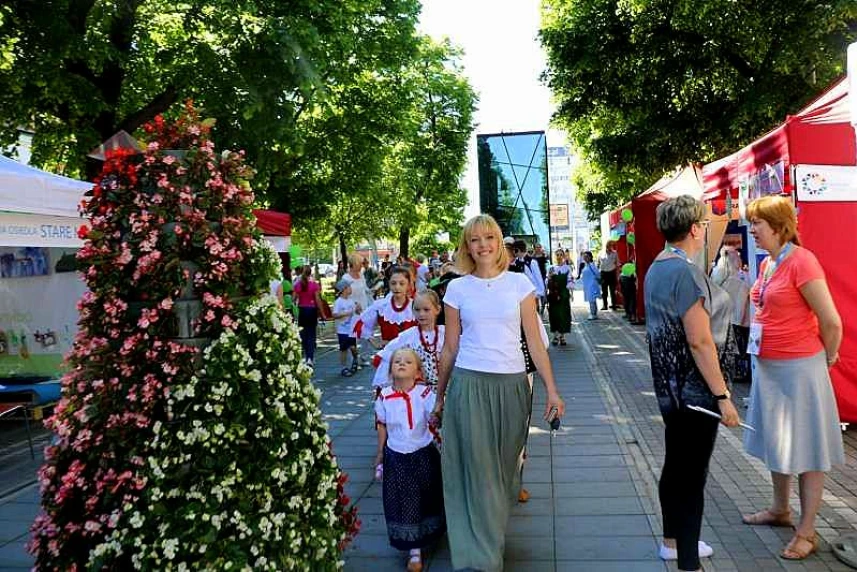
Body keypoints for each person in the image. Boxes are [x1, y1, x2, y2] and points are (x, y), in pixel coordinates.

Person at [434, 214, 565, 571]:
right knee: (480, 470)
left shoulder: (520, 285)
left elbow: (536, 343)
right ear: (467, 247)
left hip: (512, 387)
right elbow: (449, 348)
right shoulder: (457, 289)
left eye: (489, 237)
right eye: (474, 240)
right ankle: (481, 556)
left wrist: (552, 391)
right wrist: (440, 395)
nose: (483, 245)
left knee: (507, 471)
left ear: (499, 242)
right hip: (469, 384)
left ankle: (489, 535)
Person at [741, 196, 844, 561]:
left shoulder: (802, 261)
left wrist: (827, 357)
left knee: (808, 449)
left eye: (757, 223)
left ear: (779, 226)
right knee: (777, 442)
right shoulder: (770, 262)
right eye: (752, 222)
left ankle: (807, 530)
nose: (752, 230)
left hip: (800, 369)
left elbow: (831, 321)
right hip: (771, 369)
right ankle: (780, 510)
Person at [644, 195, 740, 572]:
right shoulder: (684, 272)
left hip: (671, 388)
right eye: (705, 222)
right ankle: (688, 562)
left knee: (677, 465)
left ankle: (673, 542)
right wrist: (723, 396)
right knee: (691, 475)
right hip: (695, 390)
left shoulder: (660, 266)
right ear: (695, 228)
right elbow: (699, 340)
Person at [374, 348, 445, 572]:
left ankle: (433, 532)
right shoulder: (384, 396)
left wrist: (436, 415)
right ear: (390, 370)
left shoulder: (424, 394)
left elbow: (434, 417)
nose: (401, 364)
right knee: (406, 501)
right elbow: (382, 425)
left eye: (407, 362)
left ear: (417, 373)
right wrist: (380, 454)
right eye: (397, 362)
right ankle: (414, 551)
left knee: (428, 496)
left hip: (423, 453)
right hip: (396, 456)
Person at [372, 290, 445, 389]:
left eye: (426, 310)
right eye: (417, 310)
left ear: (437, 309)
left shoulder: (446, 334)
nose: (421, 314)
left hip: (445, 390)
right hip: (418, 391)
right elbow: (389, 353)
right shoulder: (408, 336)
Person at [711, 247, 751, 384]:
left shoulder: (716, 279)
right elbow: (743, 306)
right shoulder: (740, 283)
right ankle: (740, 372)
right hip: (739, 322)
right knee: (740, 351)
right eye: (738, 255)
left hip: (722, 322)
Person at [354, 267, 417, 349]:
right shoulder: (381, 306)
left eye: (402, 283)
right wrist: (373, 341)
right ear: (389, 284)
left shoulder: (415, 305)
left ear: (408, 285)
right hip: (388, 356)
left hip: (411, 355)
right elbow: (362, 323)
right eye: (393, 283)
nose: (397, 287)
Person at [343, 253, 373, 364]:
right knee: (352, 334)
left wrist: (372, 289)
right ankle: (354, 359)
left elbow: (365, 288)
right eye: (360, 263)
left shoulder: (361, 275)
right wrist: (354, 304)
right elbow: (344, 294)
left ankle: (365, 357)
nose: (362, 265)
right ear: (354, 264)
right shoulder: (345, 278)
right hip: (353, 309)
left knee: (366, 333)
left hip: (364, 307)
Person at [293, 265, 323, 366]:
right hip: (311, 310)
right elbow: (318, 300)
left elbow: (293, 298)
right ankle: (310, 357)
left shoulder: (298, 285)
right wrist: (322, 312)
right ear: (310, 273)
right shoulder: (314, 285)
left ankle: (307, 357)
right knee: (311, 335)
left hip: (302, 310)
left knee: (303, 335)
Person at [332, 279, 361, 377]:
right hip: (342, 330)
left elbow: (357, 312)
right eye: (349, 287)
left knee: (353, 347)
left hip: (351, 329)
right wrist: (347, 313)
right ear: (344, 289)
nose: (351, 288)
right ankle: (343, 367)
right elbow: (335, 315)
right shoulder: (339, 302)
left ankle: (355, 359)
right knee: (343, 349)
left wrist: (358, 308)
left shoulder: (351, 301)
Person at [547, 249, 573, 345]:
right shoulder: (551, 268)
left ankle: (562, 336)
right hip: (554, 295)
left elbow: (570, 280)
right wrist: (549, 277)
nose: (559, 256)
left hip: (564, 294)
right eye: (557, 255)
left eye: (560, 254)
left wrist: (571, 293)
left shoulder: (567, 268)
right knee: (554, 315)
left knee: (563, 315)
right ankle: (555, 336)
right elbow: (547, 282)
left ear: (563, 256)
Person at [598, 240, 620, 310]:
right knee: (604, 291)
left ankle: (614, 305)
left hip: (611, 273)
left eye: (611, 246)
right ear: (606, 246)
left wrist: (618, 274)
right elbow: (598, 264)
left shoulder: (615, 253)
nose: (610, 247)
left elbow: (617, 264)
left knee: (612, 290)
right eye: (609, 245)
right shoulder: (601, 253)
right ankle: (605, 305)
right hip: (603, 273)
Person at [581, 252, 601, 320]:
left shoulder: (592, 265)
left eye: (586, 256)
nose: (585, 258)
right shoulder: (586, 265)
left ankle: (593, 314)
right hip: (587, 285)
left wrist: (595, 281)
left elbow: (597, 274)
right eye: (584, 256)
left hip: (592, 285)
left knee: (592, 299)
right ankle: (594, 313)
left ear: (590, 257)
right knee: (591, 300)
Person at [620, 258, 638, 323]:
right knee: (632, 299)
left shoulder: (625, 266)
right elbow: (635, 276)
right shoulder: (633, 266)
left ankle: (627, 314)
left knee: (626, 299)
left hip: (622, 280)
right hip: (629, 281)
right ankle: (632, 315)